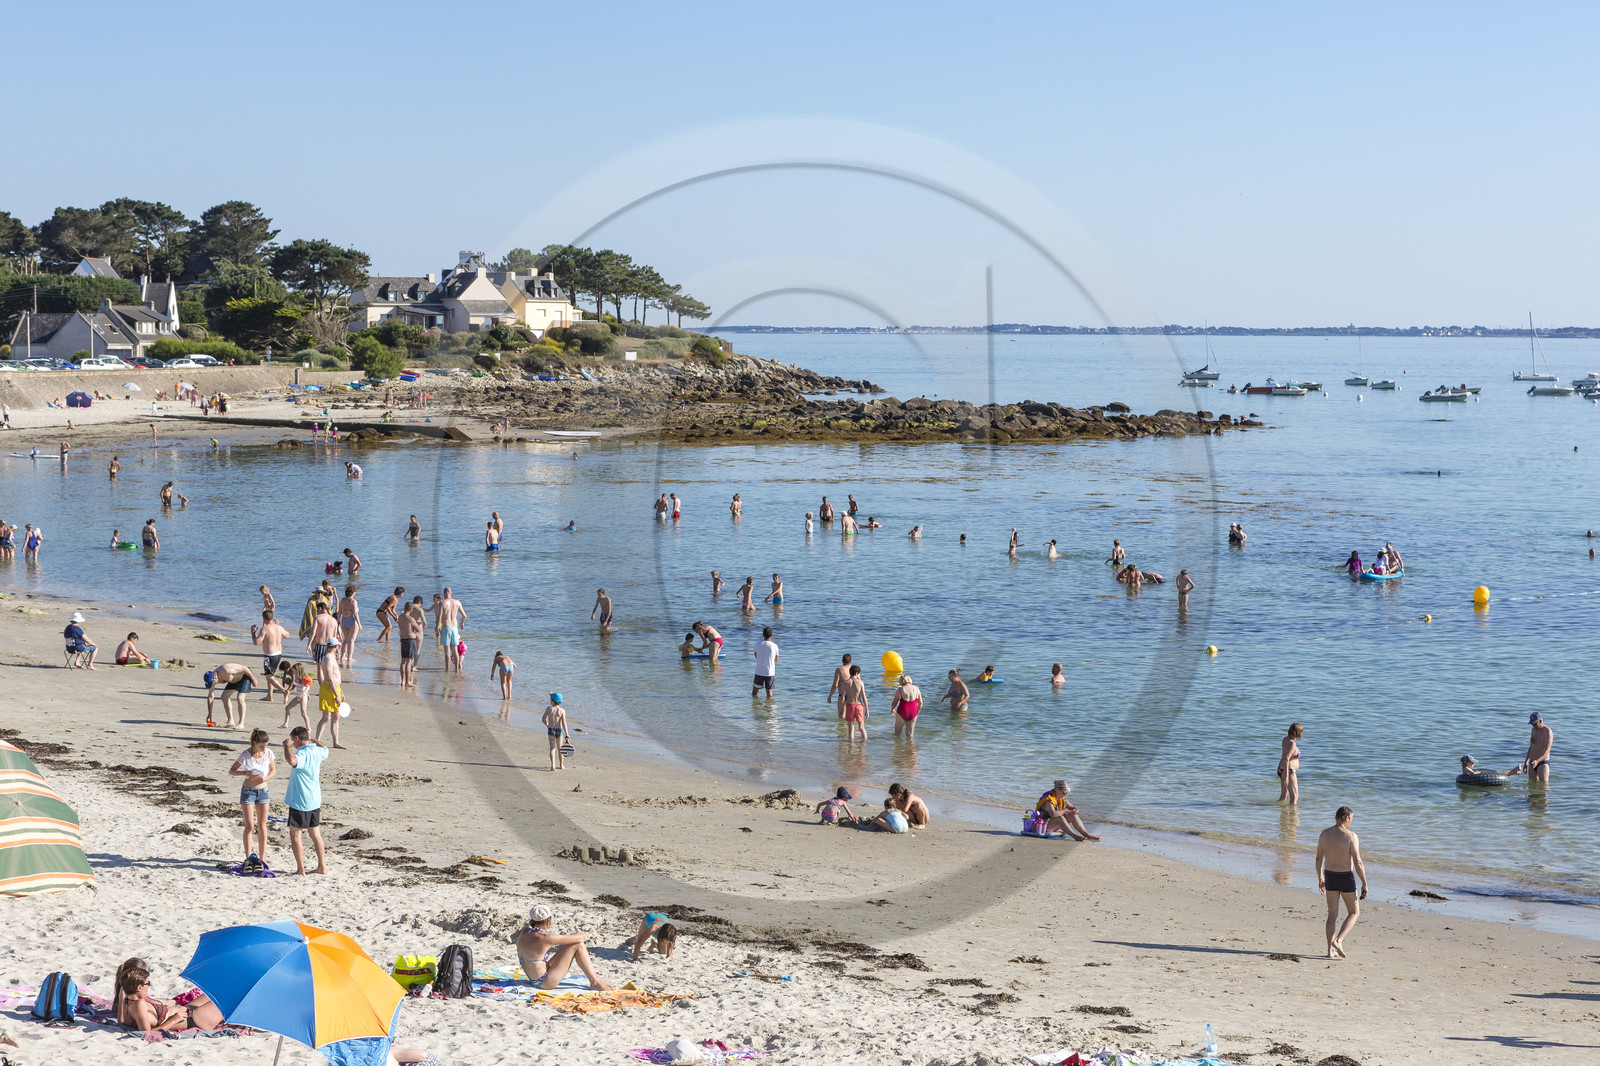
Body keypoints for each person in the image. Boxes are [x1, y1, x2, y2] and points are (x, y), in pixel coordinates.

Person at [517, 905, 613, 990]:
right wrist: (575, 934)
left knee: (571, 945)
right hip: (544, 982)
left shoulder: (525, 932)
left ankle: (597, 979)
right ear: (549, 919)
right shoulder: (546, 938)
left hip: (533, 977)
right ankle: (595, 982)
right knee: (578, 944)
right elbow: (581, 937)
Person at [1315, 805, 1367, 958]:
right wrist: (1364, 882)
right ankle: (1339, 940)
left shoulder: (1324, 834)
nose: (1350, 823)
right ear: (1346, 818)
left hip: (1330, 875)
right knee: (1354, 912)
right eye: (1351, 820)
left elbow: (1319, 859)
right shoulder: (1351, 836)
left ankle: (1330, 951)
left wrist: (1320, 878)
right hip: (1345, 877)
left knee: (1332, 915)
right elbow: (1358, 862)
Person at [116, 967, 224, 1032]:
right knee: (224, 1000)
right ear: (139, 987)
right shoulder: (138, 1004)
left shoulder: (131, 1001)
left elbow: (122, 1022)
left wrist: (122, 993)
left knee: (218, 991)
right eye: (148, 983)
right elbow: (146, 1033)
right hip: (194, 1020)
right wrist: (174, 1020)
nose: (148, 986)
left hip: (188, 1010)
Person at [283, 726, 329, 875]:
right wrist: (314, 740)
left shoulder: (302, 754)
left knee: (295, 834)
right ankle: (321, 866)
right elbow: (326, 749)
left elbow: (291, 760)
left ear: (296, 738)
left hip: (300, 799)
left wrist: (286, 746)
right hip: (314, 799)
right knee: (315, 833)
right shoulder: (316, 751)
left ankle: (300, 869)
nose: (292, 743)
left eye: (292, 739)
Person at [229, 728, 276, 869]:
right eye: (261, 746)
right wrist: (245, 772)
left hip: (263, 791)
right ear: (254, 743)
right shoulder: (246, 755)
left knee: (262, 826)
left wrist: (266, 777)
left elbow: (273, 770)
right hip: (248, 791)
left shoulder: (268, 753)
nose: (264, 748)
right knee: (250, 825)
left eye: (266, 745)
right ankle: (248, 857)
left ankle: (262, 857)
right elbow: (232, 771)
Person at [1035, 779, 1099, 841]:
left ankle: (1086, 834)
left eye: (1066, 793)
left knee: (1073, 816)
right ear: (1057, 789)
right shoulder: (1049, 799)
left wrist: (1075, 810)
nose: (1065, 795)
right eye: (1064, 793)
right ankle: (1075, 836)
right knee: (1059, 817)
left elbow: (1071, 806)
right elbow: (1053, 814)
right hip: (1041, 825)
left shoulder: (1061, 797)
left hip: (1052, 825)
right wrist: (1065, 810)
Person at [205, 663, 259, 728]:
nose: (212, 684)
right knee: (224, 697)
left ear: (215, 677)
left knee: (240, 698)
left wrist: (253, 679)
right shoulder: (212, 679)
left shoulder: (227, 669)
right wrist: (209, 714)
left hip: (244, 677)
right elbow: (211, 696)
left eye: (212, 682)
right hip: (233, 680)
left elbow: (244, 668)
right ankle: (230, 721)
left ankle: (241, 723)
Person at [1513, 712, 1554, 783]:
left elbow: (1547, 750)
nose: (1533, 726)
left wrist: (1537, 761)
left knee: (1543, 787)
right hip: (1532, 762)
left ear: (1540, 721)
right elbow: (1531, 747)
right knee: (1532, 787)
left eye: (1535, 724)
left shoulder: (1547, 732)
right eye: (1532, 724)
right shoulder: (1533, 730)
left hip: (1542, 763)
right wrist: (1526, 762)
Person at [398, 597, 425, 688]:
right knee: (409, 662)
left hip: (403, 639)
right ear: (411, 609)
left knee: (403, 661)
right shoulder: (410, 619)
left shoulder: (400, 617)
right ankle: (408, 681)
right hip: (410, 640)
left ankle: (403, 681)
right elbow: (418, 630)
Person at [439, 587, 467, 672]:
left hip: (446, 627)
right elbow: (464, 615)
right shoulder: (457, 602)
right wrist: (462, 622)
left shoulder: (443, 603)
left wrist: (436, 628)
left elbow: (439, 617)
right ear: (451, 593)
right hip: (454, 628)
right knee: (455, 650)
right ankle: (457, 670)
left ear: (444, 593)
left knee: (447, 650)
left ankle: (447, 670)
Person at [839, 664, 868, 742]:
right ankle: (864, 744)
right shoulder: (860, 683)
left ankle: (851, 747)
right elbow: (864, 697)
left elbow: (843, 697)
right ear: (856, 673)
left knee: (851, 729)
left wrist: (842, 708)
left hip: (849, 706)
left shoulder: (845, 683)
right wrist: (867, 710)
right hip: (858, 706)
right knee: (861, 727)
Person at [282, 663, 314, 729]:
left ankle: (308, 728)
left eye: (294, 671)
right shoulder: (296, 678)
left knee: (303, 713)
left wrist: (305, 693)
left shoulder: (304, 678)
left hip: (303, 697)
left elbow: (308, 686)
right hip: (298, 697)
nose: (293, 672)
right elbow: (296, 685)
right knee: (287, 708)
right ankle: (286, 724)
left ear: (298, 671)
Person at [543, 694, 570, 770]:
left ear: (552, 701)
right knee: (560, 748)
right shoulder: (562, 711)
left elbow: (543, 719)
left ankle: (553, 765)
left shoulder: (549, 709)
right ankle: (561, 765)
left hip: (551, 730)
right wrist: (567, 734)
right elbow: (564, 723)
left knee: (552, 748)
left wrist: (547, 725)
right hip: (559, 731)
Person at [336, 585, 360, 668]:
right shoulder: (353, 601)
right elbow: (355, 614)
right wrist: (359, 624)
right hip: (351, 621)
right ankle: (349, 657)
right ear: (353, 592)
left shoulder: (342, 600)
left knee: (346, 640)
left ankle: (342, 656)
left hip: (344, 621)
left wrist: (338, 621)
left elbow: (339, 612)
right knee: (351, 640)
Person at [1278, 723, 1303, 804]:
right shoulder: (1292, 744)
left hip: (1281, 769)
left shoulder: (1285, 739)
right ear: (1298, 732)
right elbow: (1286, 758)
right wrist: (1286, 777)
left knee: (1285, 795)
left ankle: (1281, 813)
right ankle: (1293, 816)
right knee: (1295, 797)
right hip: (1289, 771)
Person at [752, 626, 779, 698]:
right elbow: (776, 660)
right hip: (769, 672)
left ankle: (754, 706)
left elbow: (756, 656)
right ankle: (769, 707)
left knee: (755, 690)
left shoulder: (757, 644)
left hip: (759, 671)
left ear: (763, 635)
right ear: (772, 635)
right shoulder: (775, 646)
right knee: (769, 691)